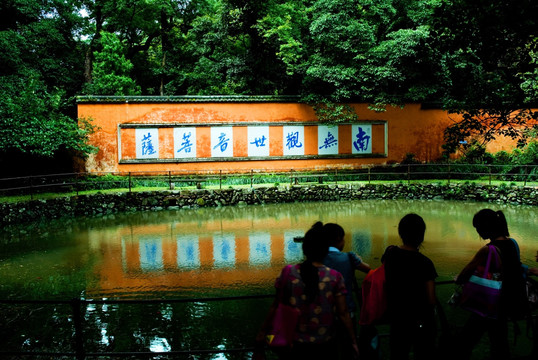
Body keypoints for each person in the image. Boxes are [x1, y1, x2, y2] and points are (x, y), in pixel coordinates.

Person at [254, 221, 359, 360]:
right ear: (325, 250)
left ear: (304, 249)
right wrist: (353, 341)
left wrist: (262, 333)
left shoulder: (288, 273)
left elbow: (276, 305)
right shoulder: (334, 277)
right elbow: (343, 313)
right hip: (325, 344)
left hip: (294, 345)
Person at [455, 209, 528, 360]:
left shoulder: (488, 250)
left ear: (486, 226)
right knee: (500, 344)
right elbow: (515, 268)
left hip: (489, 304)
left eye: (478, 228)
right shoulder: (513, 243)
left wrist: (459, 278)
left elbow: (464, 275)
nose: (478, 232)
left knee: (464, 342)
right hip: (506, 303)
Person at [382, 213, 438, 360]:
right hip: (420, 319)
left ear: (400, 233)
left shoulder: (390, 254)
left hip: (397, 316)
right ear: (422, 235)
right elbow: (431, 300)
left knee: (398, 353)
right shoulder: (425, 263)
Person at [322, 223, 370, 358]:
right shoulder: (349, 257)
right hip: (346, 313)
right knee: (348, 351)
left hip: (322, 314)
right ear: (339, 239)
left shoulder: (317, 259)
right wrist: (357, 259)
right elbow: (369, 269)